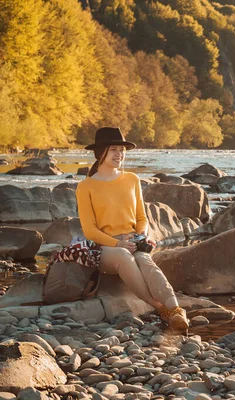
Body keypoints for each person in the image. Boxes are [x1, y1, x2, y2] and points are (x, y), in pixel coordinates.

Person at [76, 127, 189, 331]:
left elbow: (141, 217)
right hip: (104, 248)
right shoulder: (86, 187)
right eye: (114, 149)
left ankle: (176, 309)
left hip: (132, 239)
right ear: (100, 152)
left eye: (122, 150)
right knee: (123, 256)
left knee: (145, 260)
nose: (120, 154)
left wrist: (142, 236)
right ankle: (160, 308)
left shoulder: (132, 180)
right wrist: (118, 243)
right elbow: (89, 231)